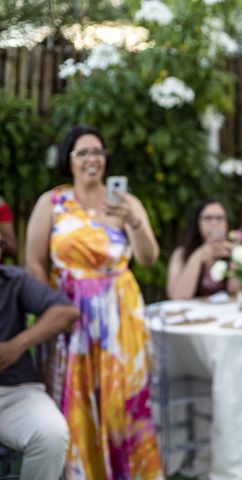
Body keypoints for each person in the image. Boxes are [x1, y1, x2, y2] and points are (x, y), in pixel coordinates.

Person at [25, 125, 163, 479]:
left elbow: (148, 258)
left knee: (121, 405)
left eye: (98, 152)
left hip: (121, 320)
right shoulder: (52, 203)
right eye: (83, 152)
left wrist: (133, 221)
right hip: (70, 318)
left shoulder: (125, 203)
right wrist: (50, 309)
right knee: (76, 401)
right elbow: (35, 262)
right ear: (69, 160)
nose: (92, 159)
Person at [0, 240, 79, 480]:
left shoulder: (14, 280)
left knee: (51, 434)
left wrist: (16, 346)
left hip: (13, 392)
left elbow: (66, 313)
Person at [167, 198, 239, 299]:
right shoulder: (181, 254)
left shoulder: (235, 251)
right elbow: (178, 297)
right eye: (208, 218)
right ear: (197, 222)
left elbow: (237, 291)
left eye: (219, 218)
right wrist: (197, 257)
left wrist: (236, 257)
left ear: (226, 222)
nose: (214, 223)